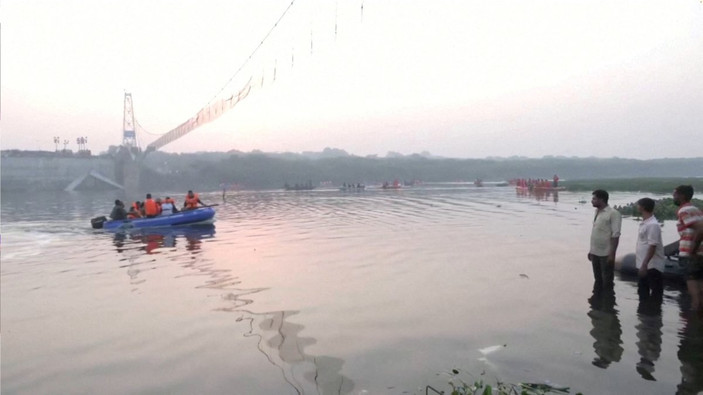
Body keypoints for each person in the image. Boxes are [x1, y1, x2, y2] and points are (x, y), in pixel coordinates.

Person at [673, 185, 703, 310]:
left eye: (675, 195)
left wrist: (693, 251)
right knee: (700, 291)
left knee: (695, 295)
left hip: (691, 256)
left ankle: (693, 325)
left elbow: (701, 229)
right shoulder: (696, 209)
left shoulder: (684, 211)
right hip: (700, 255)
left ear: (682, 196)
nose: (673, 197)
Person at [588, 189, 622, 289]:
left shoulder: (613, 213)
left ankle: (608, 302)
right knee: (597, 279)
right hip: (595, 252)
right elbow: (596, 233)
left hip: (606, 253)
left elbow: (616, 235)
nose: (592, 201)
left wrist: (612, 254)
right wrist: (591, 251)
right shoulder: (597, 212)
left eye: (594, 199)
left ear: (601, 199)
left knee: (607, 280)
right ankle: (597, 302)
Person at [635, 198, 665, 300]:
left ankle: (653, 313)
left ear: (643, 207)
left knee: (655, 294)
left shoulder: (652, 225)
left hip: (651, 267)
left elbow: (653, 246)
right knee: (642, 293)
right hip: (645, 266)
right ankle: (644, 314)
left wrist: (644, 264)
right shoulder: (646, 223)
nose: (637, 207)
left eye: (638, 205)